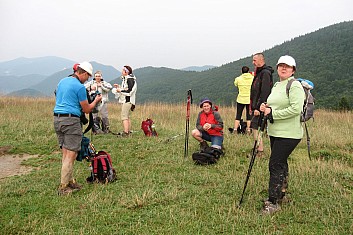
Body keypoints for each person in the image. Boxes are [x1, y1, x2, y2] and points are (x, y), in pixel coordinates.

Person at [259, 55, 305, 215]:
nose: (283, 68)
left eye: (288, 66)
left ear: (293, 70)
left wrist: (273, 113)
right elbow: (274, 104)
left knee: (275, 164)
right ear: (277, 68)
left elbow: (295, 109)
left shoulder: (295, 86)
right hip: (275, 132)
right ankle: (281, 195)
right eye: (281, 65)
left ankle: (273, 202)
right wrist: (266, 106)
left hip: (290, 134)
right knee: (281, 163)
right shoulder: (278, 85)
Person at [54, 61, 102, 196]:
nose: (88, 79)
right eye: (88, 76)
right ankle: (63, 187)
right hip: (71, 121)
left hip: (57, 119)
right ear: (84, 73)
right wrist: (96, 101)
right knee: (71, 153)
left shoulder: (62, 81)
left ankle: (70, 181)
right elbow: (87, 109)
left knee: (65, 151)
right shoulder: (80, 88)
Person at [249, 53, 274, 156]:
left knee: (255, 127)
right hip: (257, 106)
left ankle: (260, 151)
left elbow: (265, 92)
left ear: (261, 60)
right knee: (256, 126)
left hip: (261, 107)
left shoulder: (265, 73)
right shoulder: (260, 72)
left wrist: (259, 108)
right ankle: (258, 148)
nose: (253, 62)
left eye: (254, 60)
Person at [112, 65, 137, 137]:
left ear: (126, 72)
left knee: (124, 117)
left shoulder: (130, 79)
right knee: (127, 116)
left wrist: (120, 90)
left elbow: (130, 91)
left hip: (127, 100)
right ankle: (128, 131)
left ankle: (126, 133)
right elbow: (126, 89)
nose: (121, 71)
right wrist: (119, 87)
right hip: (127, 100)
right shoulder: (127, 79)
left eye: (123, 70)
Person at [231, 66, 254, 134]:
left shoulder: (238, 79)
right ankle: (248, 130)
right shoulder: (252, 78)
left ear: (241, 71)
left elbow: (235, 84)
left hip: (241, 98)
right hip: (249, 99)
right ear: (248, 71)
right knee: (248, 115)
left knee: (238, 114)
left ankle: (235, 129)